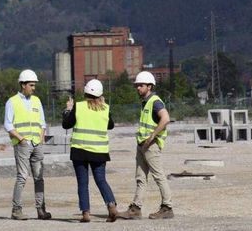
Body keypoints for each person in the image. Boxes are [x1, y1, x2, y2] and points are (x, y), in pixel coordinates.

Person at [63, 79, 118, 223]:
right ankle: (111, 204)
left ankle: (85, 213)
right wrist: (104, 105)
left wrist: (68, 109)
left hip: (80, 151)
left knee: (83, 183)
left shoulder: (79, 106)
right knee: (101, 180)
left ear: (86, 92)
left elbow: (66, 124)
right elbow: (110, 126)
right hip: (99, 152)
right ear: (100, 94)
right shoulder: (105, 108)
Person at [123, 71, 173, 219]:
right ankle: (135, 209)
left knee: (159, 176)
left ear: (149, 86)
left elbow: (165, 118)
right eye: (137, 85)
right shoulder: (145, 102)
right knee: (140, 178)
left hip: (150, 146)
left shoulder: (155, 101)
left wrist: (152, 137)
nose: (138, 88)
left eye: (141, 85)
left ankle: (167, 207)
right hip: (142, 145)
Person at [4, 69, 52, 220]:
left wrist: (41, 138)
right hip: (22, 145)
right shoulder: (12, 102)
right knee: (22, 177)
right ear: (23, 85)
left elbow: (42, 122)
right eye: (31, 85)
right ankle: (16, 210)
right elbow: (8, 124)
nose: (34, 88)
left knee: (39, 177)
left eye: (34, 85)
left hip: (37, 144)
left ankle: (41, 210)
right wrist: (22, 139)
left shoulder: (36, 101)